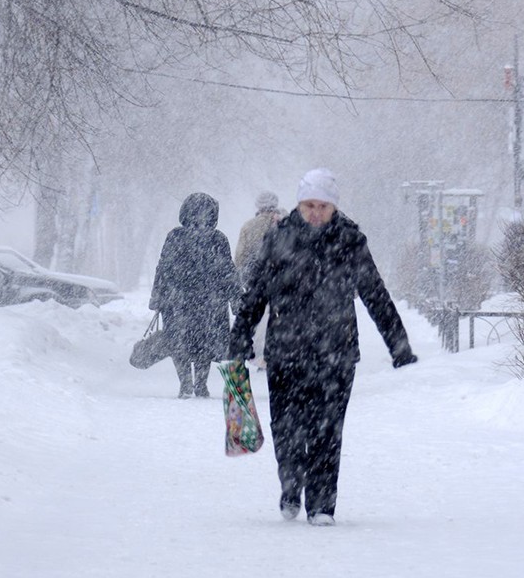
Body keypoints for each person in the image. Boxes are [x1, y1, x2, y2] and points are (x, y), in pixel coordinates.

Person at [229, 168, 418, 526]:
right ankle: (290, 485)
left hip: (337, 353)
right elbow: (255, 294)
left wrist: (399, 346)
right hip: (286, 352)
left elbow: (375, 293)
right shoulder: (279, 239)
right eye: (309, 205)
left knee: (327, 431)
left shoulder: (350, 241)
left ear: (334, 206)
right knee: (285, 427)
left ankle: (321, 506)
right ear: (299, 204)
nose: (315, 212)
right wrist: (239, 338)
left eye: (323, 206)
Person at [150, 192, 241, 398]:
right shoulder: (215, 238)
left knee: (185, 342)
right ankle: (195, 383)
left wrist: (158, 296)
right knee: (200, 344)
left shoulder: (177, 237)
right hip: (205, 301)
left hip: (183, 300)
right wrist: (235, 297)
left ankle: (190, 383)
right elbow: (228, 271)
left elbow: (163, 268)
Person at [233, 191, 282, 369]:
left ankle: (261, 356)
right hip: (282, 278)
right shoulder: (286, 223)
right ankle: (274, 353)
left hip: (257, 279)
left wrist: (244, 277)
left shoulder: (249, 226)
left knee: (260, 319)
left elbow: (240, 257)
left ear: (258, 206)